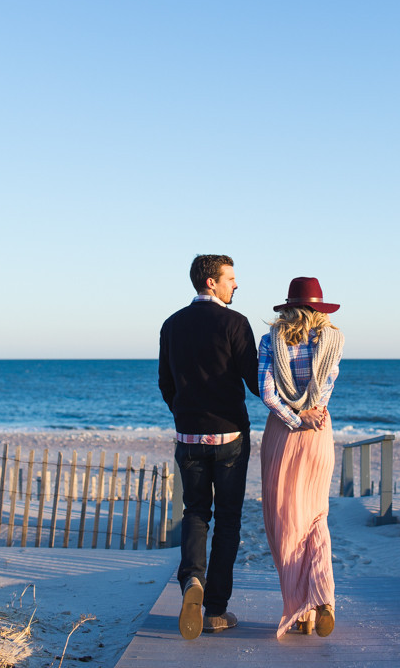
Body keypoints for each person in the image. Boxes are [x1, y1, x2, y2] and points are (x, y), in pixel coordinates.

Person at [158, 254, 259, 639]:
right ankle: (215, 609)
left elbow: (166, 383)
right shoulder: (235, 323)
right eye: (231, 278)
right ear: (211, 282)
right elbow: (253, 380)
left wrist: (185, 416)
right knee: (229, 520)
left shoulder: (171, 325)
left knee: (196, 513)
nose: (236, 285)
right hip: (230, 437)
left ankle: (192, 584)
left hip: (188, 437)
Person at [259, 276, 344, 639]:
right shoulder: (333, 341)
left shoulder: (270, 341)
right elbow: (322, 394)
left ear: (289, 306)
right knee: (316, 517)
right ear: (318, 309)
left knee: (285, 525)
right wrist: (309, 414)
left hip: (284, 435)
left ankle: (300, 610)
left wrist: (294, 417)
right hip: (319, 433)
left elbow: (267, 393)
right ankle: (322, 596)